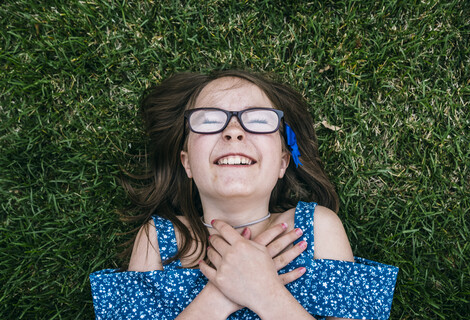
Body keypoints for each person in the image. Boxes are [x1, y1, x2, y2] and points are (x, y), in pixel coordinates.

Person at [90, 70, 398, 319]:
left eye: (258, 120)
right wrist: (218, 297)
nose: (233, 131)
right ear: (186, 162)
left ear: (281, 162)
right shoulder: (159, 238)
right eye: (209, 120)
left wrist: (265, 292)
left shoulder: (316, 228)